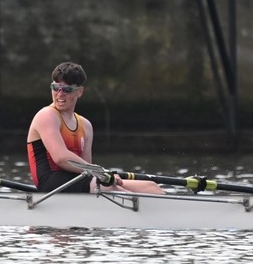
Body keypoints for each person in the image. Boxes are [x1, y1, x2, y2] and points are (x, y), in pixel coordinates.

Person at [26, 62, 165, 195]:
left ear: (79, 92)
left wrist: (102, 174)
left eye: (67, 90)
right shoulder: (47, 115)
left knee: (151, 187)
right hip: (50, 182)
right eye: (56, 88)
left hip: (74, 180)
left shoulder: (85, 125)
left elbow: (86, 167)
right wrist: (102, 172)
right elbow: (61, 158)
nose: (60, 94)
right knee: (109, 187)